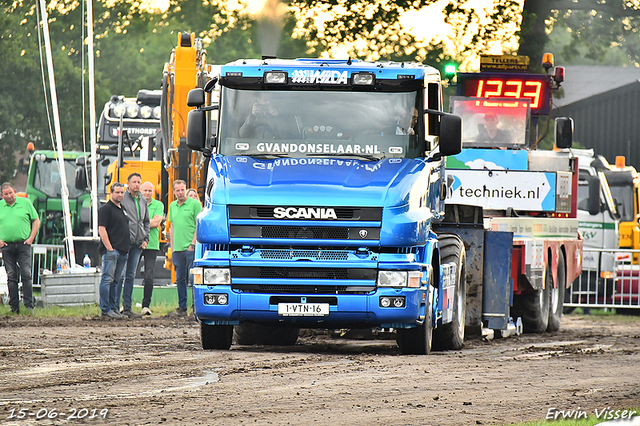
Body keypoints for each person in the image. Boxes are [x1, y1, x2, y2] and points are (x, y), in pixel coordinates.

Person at [0, 182, 40, 314]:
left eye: (11, 192)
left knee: (26, 275)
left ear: (15, 191)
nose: (9, 196)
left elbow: (36, 220)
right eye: (6, 194)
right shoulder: (0, 206)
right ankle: (14, 307)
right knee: (11, 276)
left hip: (23, 244)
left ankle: (29, 306)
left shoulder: (26, 203)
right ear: (2, 195)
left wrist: (31, 238)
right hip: (7, 246)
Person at [115, 173, 149, 318]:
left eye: (138, 182)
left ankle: (127, 308)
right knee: (120, 276)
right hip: (124, 243)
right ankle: (115, 307)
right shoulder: (123, 199)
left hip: (138, 244)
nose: (136, 184)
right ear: (128, 183)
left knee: (130, 276)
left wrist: (145, 238)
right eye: (134, 182)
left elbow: (146, 221)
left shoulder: (142, 199)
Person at [167, 179, 202, 316]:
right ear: (174, 191)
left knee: (193, 279)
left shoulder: (194, 204)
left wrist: (193, 244)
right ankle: (182, 308)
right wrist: (173, 246)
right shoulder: (172, 205)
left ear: (185, 189)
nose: (180, 192)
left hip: (190, 248)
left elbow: (198, 224)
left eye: (182, 190)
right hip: (178, 249)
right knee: (180, 279)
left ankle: (195, 308)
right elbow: (172, 226)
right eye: (177, 190)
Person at [98, 182, 130, 319]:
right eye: (117, 192)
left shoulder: (122, 208)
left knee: (116, 281)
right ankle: (105, 309)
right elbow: (102, 229)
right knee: (107, 279)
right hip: (112, 251)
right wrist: (109, 248)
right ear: (111, 193)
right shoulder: (106, 209)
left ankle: (114, 308)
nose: (120, 195)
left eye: (122, 192)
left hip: (123, 251)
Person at [140, 181, 164, 316]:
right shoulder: (137, 204)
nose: (147, 193)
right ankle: (126, 305)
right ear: (141, 191)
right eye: (145, 190)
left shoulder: (158, 204)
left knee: (149, 275)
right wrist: (149, 221)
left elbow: (157, 222)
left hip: (152, 244)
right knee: (129, 275)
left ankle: (146, 305)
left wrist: (141, 222)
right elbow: (151, 222)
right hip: (137, 243)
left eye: (150, 191)